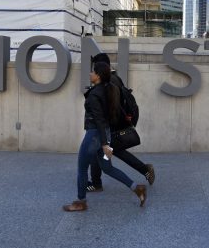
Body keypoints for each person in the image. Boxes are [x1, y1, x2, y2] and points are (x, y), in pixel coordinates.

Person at [63, 61, 147, 212]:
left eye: (92, 72)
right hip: (105, 134)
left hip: (95, 135)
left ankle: (80, 202)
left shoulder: (95, 94)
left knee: (82, 168)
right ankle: (137, 188)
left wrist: (104, 144)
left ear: (99, 75)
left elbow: (99, 120)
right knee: (107, 168)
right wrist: (106, 141)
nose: (90, 74)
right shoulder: (111, 89)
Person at [86, 53, 155, 192]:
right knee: (112, 152)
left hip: (109, 125)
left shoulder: (110, 81)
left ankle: (97, 183)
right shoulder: (115, 78)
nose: (92, 71)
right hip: (111, 124)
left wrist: (104, 125)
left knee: (101, 151)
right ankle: (144, 169)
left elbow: (112, 105)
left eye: (94, 69)